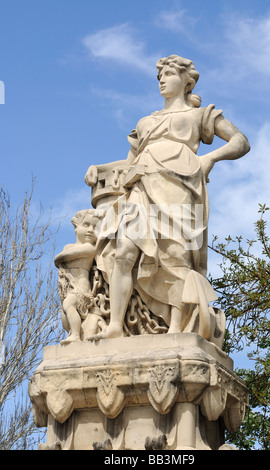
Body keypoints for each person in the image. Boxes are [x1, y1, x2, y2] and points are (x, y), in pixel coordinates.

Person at [87, 55, 250, 341]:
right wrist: (99, 169)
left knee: (176, 256)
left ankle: (177, 327)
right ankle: (115, 326)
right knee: (125, 252)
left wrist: (210, 158)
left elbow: (240, 142)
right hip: (141, 188)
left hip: (180, 186)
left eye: (169, 74)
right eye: (159, 76)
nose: (162, 80)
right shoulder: (146, 122)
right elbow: (129, 162)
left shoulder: (200, 115)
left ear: (186, 81)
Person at [55, 209, 100, 344]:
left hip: (80, 286)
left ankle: (75, 336)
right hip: (68, 287)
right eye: (86, 225)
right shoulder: (69, 246)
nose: (91, 230)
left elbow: (62, 257)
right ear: (76, 227)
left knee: (69, 304)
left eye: (95, 227)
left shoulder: (90, 248)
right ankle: (72, 332)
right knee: (65, 313)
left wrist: (58, 259)